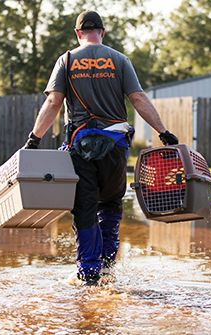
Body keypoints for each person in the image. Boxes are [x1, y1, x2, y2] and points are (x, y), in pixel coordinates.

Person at [24, 10, 178, 285]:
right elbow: (139, 99)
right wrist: (163, 132)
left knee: (84, 207)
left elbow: (53, 103)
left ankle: (88, 273)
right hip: (115, 147)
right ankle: (107, 266)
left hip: (79, 148)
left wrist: (34, 139)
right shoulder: (119, 60)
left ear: (77, 33)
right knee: (110, 202)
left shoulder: (66, 60)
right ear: (102, 32)